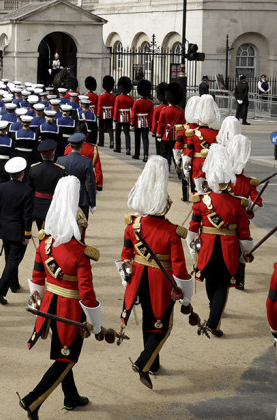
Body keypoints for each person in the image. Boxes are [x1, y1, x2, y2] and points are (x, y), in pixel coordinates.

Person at [19, 176, 100, 418]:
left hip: (49, 306)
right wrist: (94, 320)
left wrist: (38, 306)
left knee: (64, 352)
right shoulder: (80, 253)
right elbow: (86, 293)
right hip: (70, 309)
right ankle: (32, 400)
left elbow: (36, 277)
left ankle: (71, 395)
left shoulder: (44, 243)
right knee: (66, 358)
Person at [117, 156, 193, 389]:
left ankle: (154, 362)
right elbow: (179, 268)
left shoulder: (133, 226)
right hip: (161, 282)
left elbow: (125, 257)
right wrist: (186, 296)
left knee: (149, 320)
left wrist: (127, 278)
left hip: (138, 277)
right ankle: (143, 363)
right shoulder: (172, 232)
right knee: (163, 325)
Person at [187, 144, 252, 337]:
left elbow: (193, 228)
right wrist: (246, 251)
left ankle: (213, 313)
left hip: (207, 247)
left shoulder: (201, 201)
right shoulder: (238, 203)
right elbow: (244, 233)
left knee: (211, 280)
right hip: (229, 248)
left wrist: (192, 248)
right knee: (222, 285)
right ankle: (213, 323)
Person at [0, 156, 34, 304]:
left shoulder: (1, 187)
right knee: (13, 261)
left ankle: (14, 284)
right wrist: (27, 233)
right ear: (22, 173)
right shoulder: (27, 190)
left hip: (4, 229)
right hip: (18, 231)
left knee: (10, 259)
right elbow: (27, 215)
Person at [29, 140, 66, 230]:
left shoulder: (34, 169)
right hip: (54, 205)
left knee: (40, 231)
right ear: (53, 155)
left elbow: (30, 188)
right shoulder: (60, 170)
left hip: (37, 204)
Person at [57, 133, 98, 217]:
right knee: (81, 225)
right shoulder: (86, 161)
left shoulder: (60, 160)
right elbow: (90, 184)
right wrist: (92, 203)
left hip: (65, 196)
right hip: (81, 198)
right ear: (81, 145)